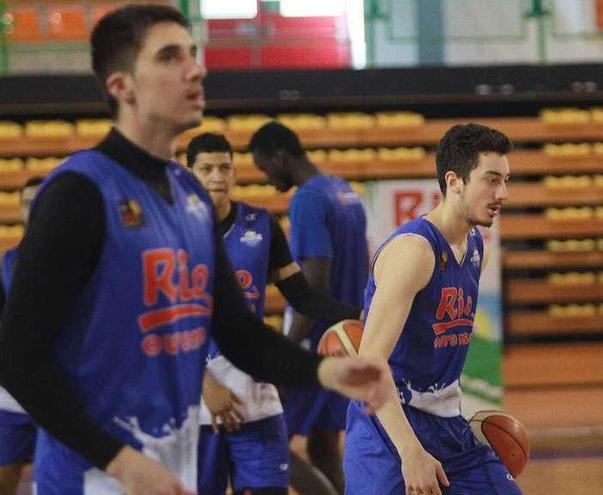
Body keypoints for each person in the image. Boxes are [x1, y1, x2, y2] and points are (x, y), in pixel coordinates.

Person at [0, 5, 393, 495]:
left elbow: (239, 335)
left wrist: (329, 370)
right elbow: (18, 359)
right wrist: (122, 463)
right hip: (95, 475)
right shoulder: (77, 193)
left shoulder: (190, 198)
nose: (196, 68)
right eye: (170, 57)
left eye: (193, 53)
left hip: (169, 462)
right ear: (122, 86)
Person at [341, 123, 522, 495]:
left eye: (505, 180)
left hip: (448, 425)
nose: (502, 192)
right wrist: (410, 451)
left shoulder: (476, 248)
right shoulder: (414, 252)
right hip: (389, 431)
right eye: (490, 180)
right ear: (454, 181)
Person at [186, 133, 352, 495]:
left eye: (224, 168)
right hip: (193, 403)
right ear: (189, 175)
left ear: (234, 173)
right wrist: (205, 383)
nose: (217, 176)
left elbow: (304, 297)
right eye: (206, 169)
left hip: (255, 396)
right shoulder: (170, 233)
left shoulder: (260, 225)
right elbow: (164, 321)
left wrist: (362, 314)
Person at [249, 121, 369, 492]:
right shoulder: (344, 191)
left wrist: (284, 354)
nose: (267, 179)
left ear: (280, 158)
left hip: (315, 345)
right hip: (345, 339)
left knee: (266, 446)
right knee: (323, 447)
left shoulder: (308, 199)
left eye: (265, 168)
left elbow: (312, 286)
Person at [0, 176, 43, 495]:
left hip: (64, 394)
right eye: (29, 204)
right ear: (20, 210)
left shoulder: (84, 262)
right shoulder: (5, 265)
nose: (37, 209)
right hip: (12, 396)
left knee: (56, 485)